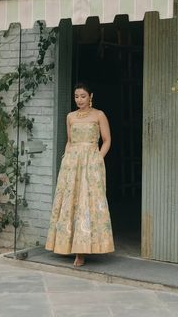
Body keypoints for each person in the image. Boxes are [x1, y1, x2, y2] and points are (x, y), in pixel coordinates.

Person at [45, 83, 115, 266]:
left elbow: (107, 140)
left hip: (91, 162)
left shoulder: (99, 115)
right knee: (71, 202)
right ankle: (68, 246)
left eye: (83, 96)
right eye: (76, 96)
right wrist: (66, 158)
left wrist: (98, 158)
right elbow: (70, 141)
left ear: (90, 95)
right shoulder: (70, 117)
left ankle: (82, 251)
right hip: (71, 163)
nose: (79, 100)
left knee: (87, 202)